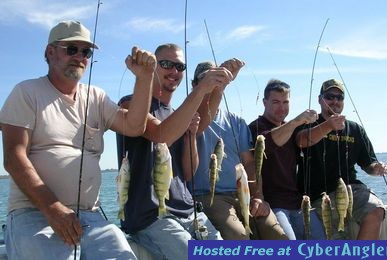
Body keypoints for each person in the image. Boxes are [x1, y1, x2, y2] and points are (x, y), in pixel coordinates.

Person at [0, 20, 156, 259]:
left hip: (91, 218)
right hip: (34, 213)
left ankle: (232, 252)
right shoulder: (26, 92)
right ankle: (229, 253)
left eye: (86, 51)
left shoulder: (96, 96)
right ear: (50, 52)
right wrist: (53, 209)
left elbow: (134, 126)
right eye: (71, 49)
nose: (80, 56)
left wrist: (145, 77)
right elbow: (13, 157)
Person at [116, 44, 238, 259]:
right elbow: (162, 134)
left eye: (180, 66)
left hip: (189, 212)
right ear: (153, 67)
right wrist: (201, 89)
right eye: (166, 64)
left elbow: (189, 172)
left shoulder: (176, 114)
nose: (174, 71)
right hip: (151, 218)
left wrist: (220, 86)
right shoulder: (131, 103)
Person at [191, 62, 288, 240]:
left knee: (278, 236)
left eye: (218, 77)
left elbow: (249, 163)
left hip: (242, 193)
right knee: (239, 237)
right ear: (194, 85)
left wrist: (258, 196)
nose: (212, 83)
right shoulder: (186, 117)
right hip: (208, 197)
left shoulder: (236, 122)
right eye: (206, 79)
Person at [296, 78, 387, 239]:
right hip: (319, 195)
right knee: (336, 240)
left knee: (376, 209)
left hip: (351, 190)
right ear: (320, 99)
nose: (335, 101)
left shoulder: (355, 129)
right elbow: (301, 141)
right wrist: (329, 126)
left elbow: (368, 163)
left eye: (339, 98)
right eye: (330, 96)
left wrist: (376, 167)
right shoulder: (307, 122)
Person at [248, 79, 326, 240]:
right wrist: (297, 121)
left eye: (286, 102)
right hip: (272, 205)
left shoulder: (293, 130)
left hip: (298, 204)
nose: (282, 107)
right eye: (276, 102)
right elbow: (269, 141)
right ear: (264, 102)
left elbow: (307, 141)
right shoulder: (255, 127)